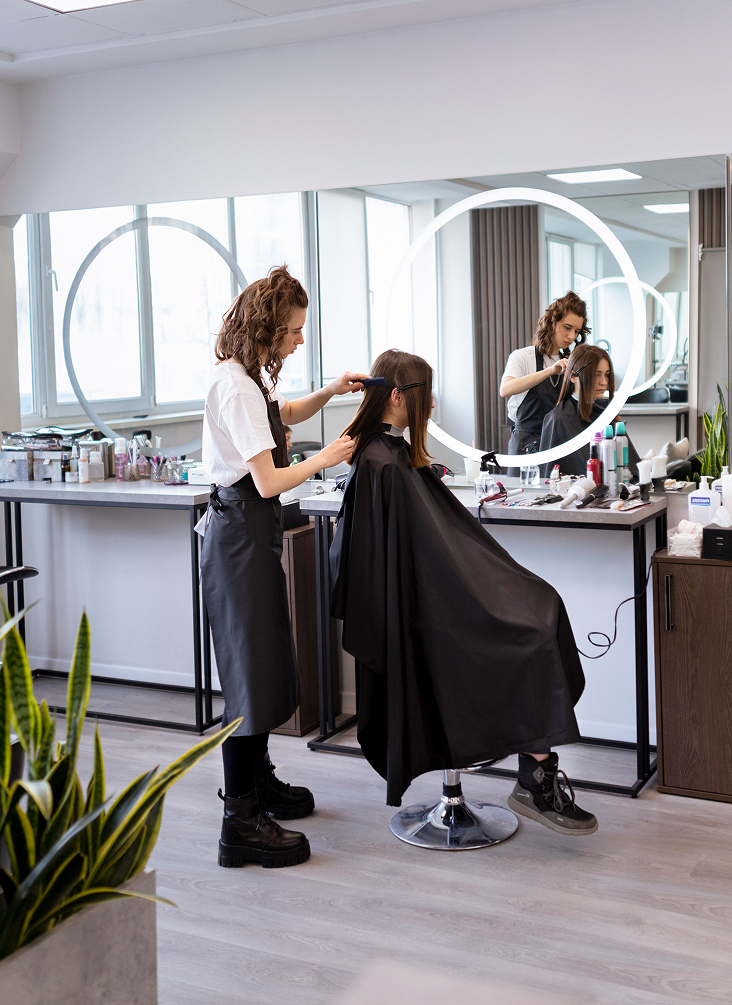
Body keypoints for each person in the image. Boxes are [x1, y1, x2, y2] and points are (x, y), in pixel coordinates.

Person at [330, 348, 598, 836]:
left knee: (544, 606)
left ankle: (535, 774)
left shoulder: (388, 455)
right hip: (430, 617)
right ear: (398, 397)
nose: (432, 405)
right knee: (531, 633)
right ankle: (536, 780)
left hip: (436, 601)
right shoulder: (383, 464)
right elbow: (421, 565)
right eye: (427, 396)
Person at [201, 265, 368, 869]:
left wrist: (332, 390)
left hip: (251, 535)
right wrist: (329, 456)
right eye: (294, 330)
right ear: (267, 328)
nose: (299, 340)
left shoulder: (250, 378)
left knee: (265, 666)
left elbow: (287, 412)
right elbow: (269, 480)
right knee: (250, 677)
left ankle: (259, 784)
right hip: (239, 539)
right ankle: (239, 823)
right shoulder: (237, 388)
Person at [500, 292, 590, 473]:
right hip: (525, 446)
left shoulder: (571, 362)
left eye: (576, 331)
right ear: (552, 322)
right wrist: (550, 371)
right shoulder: (522, 356)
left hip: (558, 444)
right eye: (567, 327)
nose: (571, 336)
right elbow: (505, 389)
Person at [539, 342, 639, 477]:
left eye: (607, 375)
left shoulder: (604, 415)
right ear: (572, 376)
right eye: (596, 375)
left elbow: (632, 469)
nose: (604, 382)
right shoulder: (559, 419)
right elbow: (550, 478)